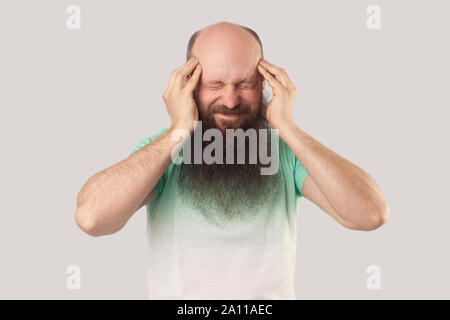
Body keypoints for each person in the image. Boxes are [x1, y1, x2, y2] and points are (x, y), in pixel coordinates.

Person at [75, 21, 390, 299]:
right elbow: (92, 219)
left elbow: (370, 214)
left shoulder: (284, 150)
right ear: (188, 84)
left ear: (265, 82)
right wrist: (179, 129)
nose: (230, 100)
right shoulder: (165, 150)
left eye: (244, 83)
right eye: (214, 84)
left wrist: (288, 127)